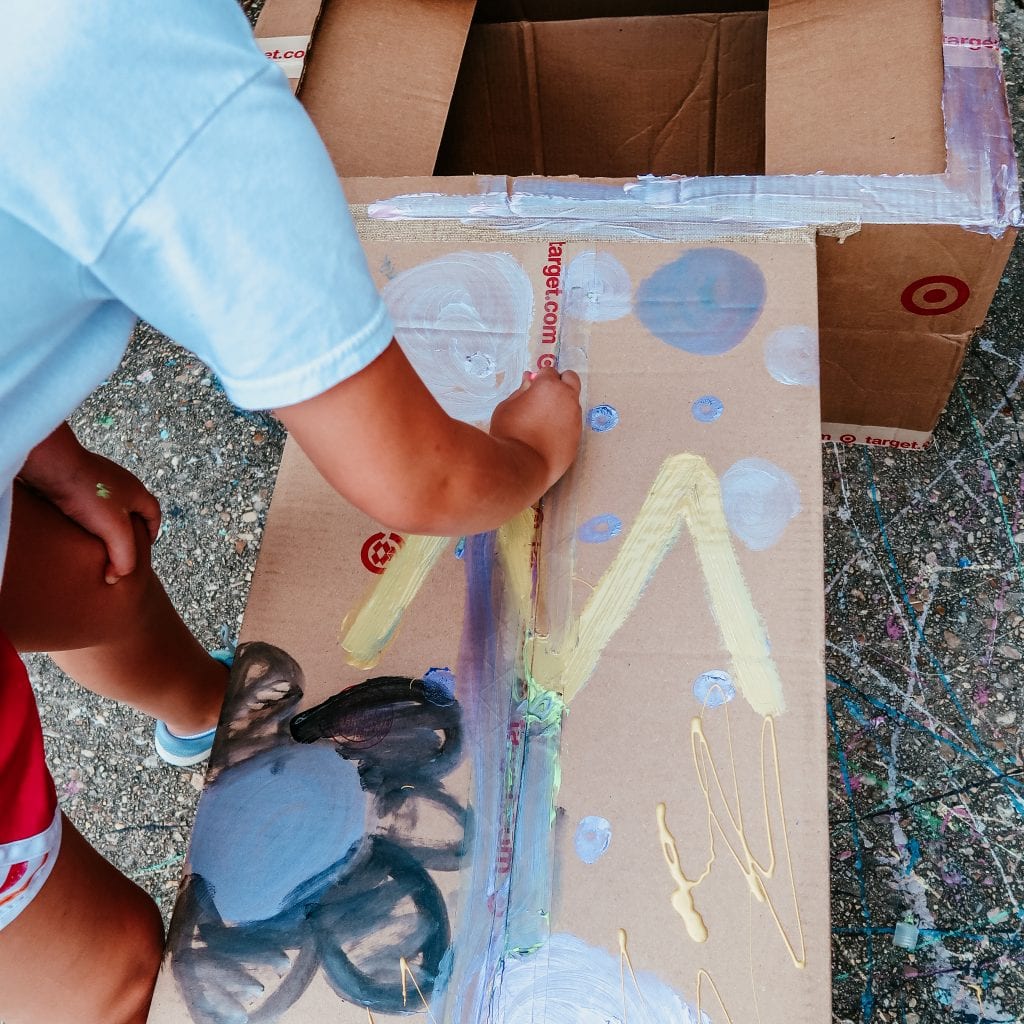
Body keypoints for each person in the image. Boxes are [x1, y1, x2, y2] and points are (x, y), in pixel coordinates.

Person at [0, 2, 582, 1021]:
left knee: (95, 569)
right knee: (108, 970)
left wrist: (34, 429)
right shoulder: (136, 61)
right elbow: (417, 476)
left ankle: (206, 717)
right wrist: (531, 453)